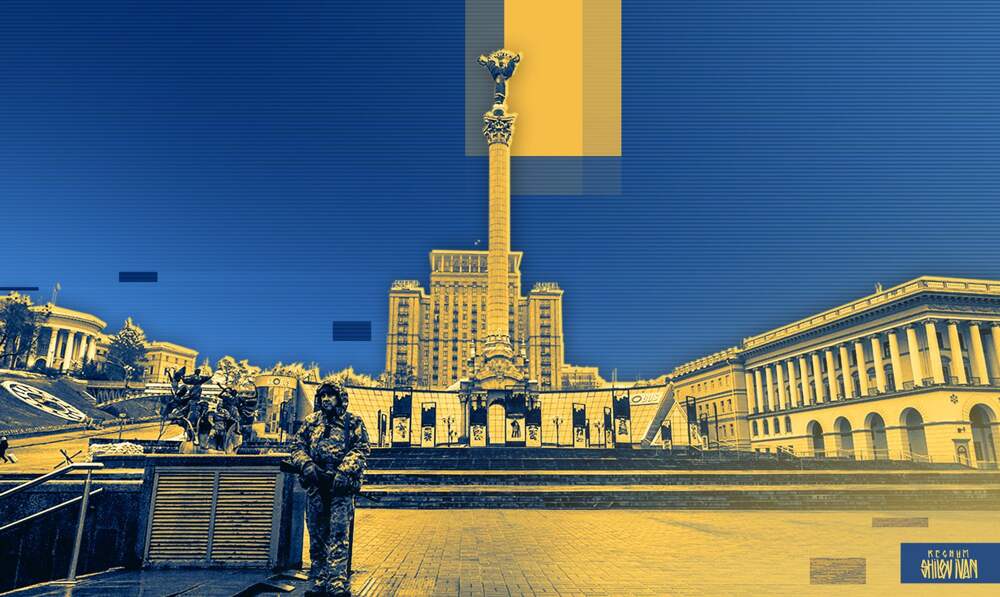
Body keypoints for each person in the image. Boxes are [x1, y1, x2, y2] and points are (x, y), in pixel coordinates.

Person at [290, 381, 370, 596]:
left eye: (330, 395)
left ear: (340, 398)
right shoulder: (311, 422)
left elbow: (361, 449)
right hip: (316, 485)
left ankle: (337, 582)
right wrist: (306, 464)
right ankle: (319, 579)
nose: (326, 399)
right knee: (317, 535)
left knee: (338, 534)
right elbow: (297, 447)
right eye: (322, 396)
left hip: (339, 488)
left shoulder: (352, 422)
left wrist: (344, 472)